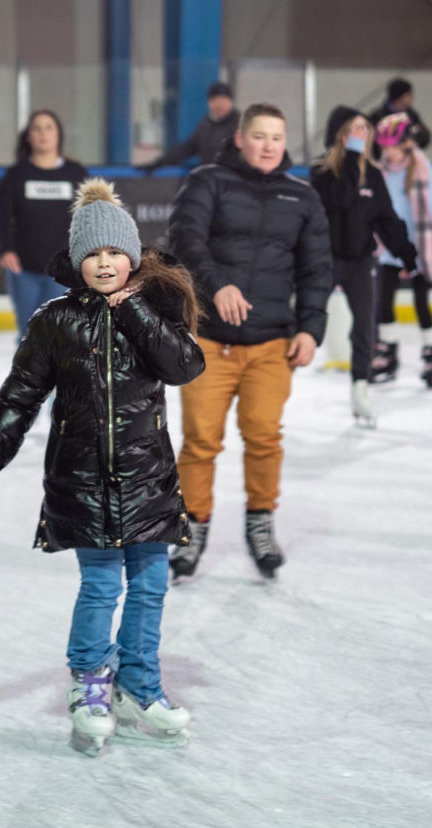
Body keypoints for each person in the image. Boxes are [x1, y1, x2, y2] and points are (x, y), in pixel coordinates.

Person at [0, 179, 205, 755]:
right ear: (78, 259)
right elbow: (21, 392)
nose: (104, 263)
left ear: (131, 258)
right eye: (94, 254)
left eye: (114, 253)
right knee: (102, 585)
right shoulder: (55, 320)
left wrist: (134, 307)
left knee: (152, 584)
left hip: (148, 478)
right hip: (82, 481)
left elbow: (184, 366)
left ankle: (139, 683)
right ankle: (90, 684)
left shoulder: (151, 309)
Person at [168, 103, 332, 579]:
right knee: (200, 441)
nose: (267, 146)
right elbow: (185, 239)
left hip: (270, 346)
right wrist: (217, 283)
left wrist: (310, 328)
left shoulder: (301, 198)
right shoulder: (207, 182)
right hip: (209, 342)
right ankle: (191, 528)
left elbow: (316, 269)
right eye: (259, 136)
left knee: (264, 437)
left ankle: (260, 524)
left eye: (276, 138)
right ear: (239, 138)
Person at [310, 106, 417, 426]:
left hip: (360, 261)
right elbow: (340, 200)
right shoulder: (322, 172)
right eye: (356, 130)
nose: (363, 136)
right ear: (340, 135)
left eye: (365, 131)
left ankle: (360, 386)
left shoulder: (372, 174)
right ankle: (278, 376)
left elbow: (386, 219)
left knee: (364, 327)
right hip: (325, 258)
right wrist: (350, 159)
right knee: (309, 319)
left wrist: (408, 255)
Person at [0, 109, 88, 340]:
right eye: (36, 128)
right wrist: (6, 249)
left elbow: (88, 217)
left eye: (49, 127)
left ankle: (57, 377)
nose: (42, 133)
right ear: (28, 136)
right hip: (24, 269)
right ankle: (25, 377)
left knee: (59, 334)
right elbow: (3, 216)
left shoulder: (75, 173)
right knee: (28, 334)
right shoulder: (16, 174)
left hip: (63, 269)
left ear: (58, 134)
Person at [372, 113, 432, 387]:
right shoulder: (380, 171)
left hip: (419, 247)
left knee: (422, 303)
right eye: (384, 147)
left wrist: (424, 253)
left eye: (392, 146)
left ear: (407, 144)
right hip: (391, 248)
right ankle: (389, 352)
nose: (388, 152)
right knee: (383, 303)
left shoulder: (421, 168)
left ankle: (429, 352)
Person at [140, 82, 239, 171]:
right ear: (209, 103)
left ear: (230, 101)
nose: (219, 104)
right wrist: (157, 164)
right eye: (214, 100)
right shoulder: (205, 126)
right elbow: (185, 149)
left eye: (223, 99)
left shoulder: (242, 125)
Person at [367, 78, 431, 157]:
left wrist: (417, 137)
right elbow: (371, 143)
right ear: (400, 96)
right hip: (384, 162)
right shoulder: (378, 116)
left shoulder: (411, 114)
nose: (412, 98)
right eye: (409, 95)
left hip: (408, 162)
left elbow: (424, 138)